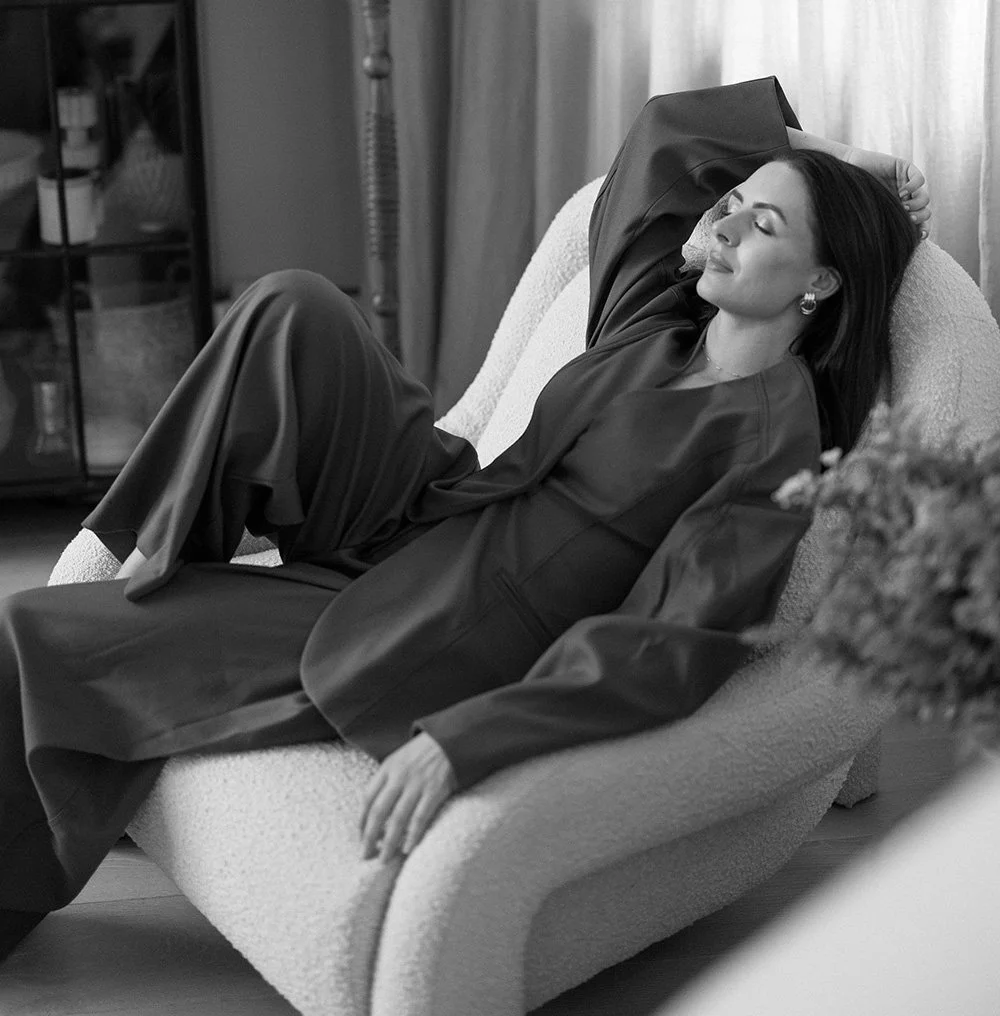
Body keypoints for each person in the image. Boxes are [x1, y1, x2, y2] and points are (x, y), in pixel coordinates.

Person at [0, 76, 929, 959]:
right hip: (439, 507)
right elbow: (669, 132)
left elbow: (669, 642)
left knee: (41, 635)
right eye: (729, 203)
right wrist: (837, 160)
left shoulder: (770, 444)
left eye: (761, 225)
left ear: (821, 284)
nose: (723, 226)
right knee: (295, 305)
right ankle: (167, 544)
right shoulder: (663, 318)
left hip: (459, 616)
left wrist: (472, 737)